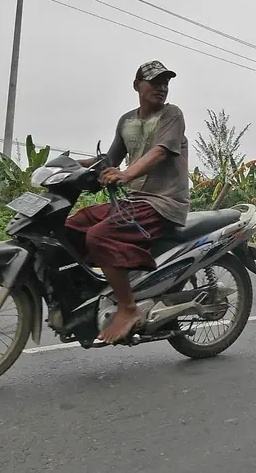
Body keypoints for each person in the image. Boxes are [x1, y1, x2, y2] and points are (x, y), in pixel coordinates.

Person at [67, 60, 191, 344]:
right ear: (137, 86)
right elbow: (109, 159)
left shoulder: (172, 115)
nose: (162, 87)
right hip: (133, 202)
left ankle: (128, 307)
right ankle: (94, 290)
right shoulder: (127, 121)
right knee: (73, 225)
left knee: (100, 235)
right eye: (155, 82)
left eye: (166, 82)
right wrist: (71, 166)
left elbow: (160, 152)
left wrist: (126, 174)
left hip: (163, 203)